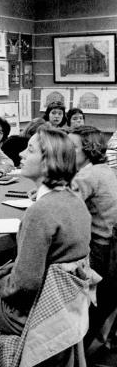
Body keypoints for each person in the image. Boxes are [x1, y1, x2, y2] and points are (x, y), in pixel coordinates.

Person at [0, 126, 91, 335]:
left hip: (30, 317)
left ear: (48, 161)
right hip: (65, 309)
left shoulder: (40, 211)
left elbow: (23, 286)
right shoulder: (74, 201)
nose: (21, 154)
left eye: (30, 150)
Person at [68, 126, 117, 342]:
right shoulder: (104, 170)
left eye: (72, 148)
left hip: (99, 251)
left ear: (87, 150)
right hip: (112, 246)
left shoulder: (86, 174)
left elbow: (63, 209)